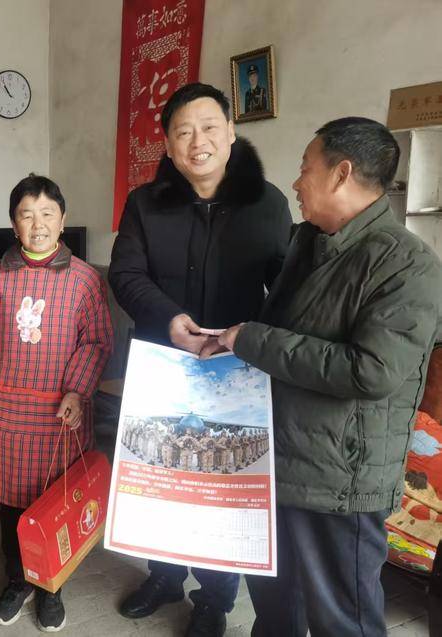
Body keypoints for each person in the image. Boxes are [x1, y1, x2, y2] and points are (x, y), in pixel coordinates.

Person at [216, 117, 442, 637]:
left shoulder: (407, 265)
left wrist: (251, 339)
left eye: (305, 168)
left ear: (341, 173)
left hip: (340, 478)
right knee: (275, 610)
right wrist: (227, 342)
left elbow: (371, 371)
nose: (296, 182)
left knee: (342, 621)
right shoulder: (310, 242)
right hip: (280, 459)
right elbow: (284, 335)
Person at [108, 82, 291, 637]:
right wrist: (169, 318)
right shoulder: (144, 203)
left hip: (234, 373)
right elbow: (126, 275)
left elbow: (286, 290)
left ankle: (214, 599)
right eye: (183, 131)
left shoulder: (268, 204)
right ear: (167, 143)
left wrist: (252, 339)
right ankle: (163, 577)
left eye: (210, 127)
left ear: (231, 132)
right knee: (159, 476)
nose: (198, 142)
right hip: (163, 366)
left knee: (220, 487)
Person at [0, 175, 113, 632]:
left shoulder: (85, 280)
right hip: (5, 415)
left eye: (47, 214)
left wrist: (76, 391)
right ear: (14, 224)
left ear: (63, 221)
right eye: (27, 215)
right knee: (10, 506)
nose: (38, 224)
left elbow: (96, 342)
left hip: (60, 416)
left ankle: (52, 587)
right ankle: (18, 580)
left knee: (56, 504)